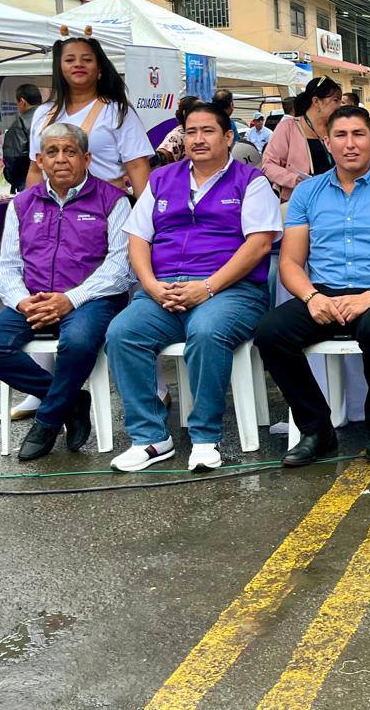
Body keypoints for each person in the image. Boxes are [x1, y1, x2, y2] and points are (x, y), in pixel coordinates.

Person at [107, 103, 280, 472]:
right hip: (165, 290)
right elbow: (137, 239)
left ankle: (204, 436)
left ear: (228, 137)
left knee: (206, 331)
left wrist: (208, 288)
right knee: (122, 333)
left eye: (208, 131)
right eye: (190, 132)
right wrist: (151, 286)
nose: (198, 139)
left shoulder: (251, 181)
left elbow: (259, 244)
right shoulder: (161, 179)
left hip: (233, 291)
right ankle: (150, 437)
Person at [254, 105, 370, 467]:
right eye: (341, 136)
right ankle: (317, 429)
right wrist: (311, 297)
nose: (350, 144)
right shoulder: (307, 193)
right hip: (324, 291)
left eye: (358, 134)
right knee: (270, 333)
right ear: (328, 142)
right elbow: (290, 263)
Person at [0, 123, 131, 459]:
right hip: (35, 298)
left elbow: (119, 267)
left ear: (86, 158)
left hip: (93, 299)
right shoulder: (22, 203)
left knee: (79, 341)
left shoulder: (113, 200)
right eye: (52, 152)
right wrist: (21, 301)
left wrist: (70, 299)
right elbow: (8, 265)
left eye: (70, 151)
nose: (61, 159)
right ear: (40, 160)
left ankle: (48, 420)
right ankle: (71, 401)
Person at [28, 37, 152, 197]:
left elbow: (137, 167)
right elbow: (35, 170)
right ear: (59, 68)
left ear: (99, 68)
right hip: (54, 208)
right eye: (70, 60)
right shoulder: (43, 113)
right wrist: (31, 207)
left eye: (87, 60)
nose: (78, 64)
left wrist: (143, 209)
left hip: (107, 206)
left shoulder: (117, 111)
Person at [262, 75, 341, 203]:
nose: (339, 106)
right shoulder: (288, 127)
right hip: (300, 201)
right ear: (316, 101)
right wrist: (294, 179)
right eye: (335, 100)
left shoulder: (337, 129)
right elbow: (268, 165)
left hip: (335, 199)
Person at [0, 83, 42, 193]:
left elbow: (14, 158)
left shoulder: (20, 124)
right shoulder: (53, 117)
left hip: (29, 179)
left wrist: (12, 177)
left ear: (22, 102)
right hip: (57, 177)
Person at [153, 96, 202, 167]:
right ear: (187, 113)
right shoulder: (178, 134)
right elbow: (161, 157)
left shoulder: (202, 132)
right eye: (199, 109)